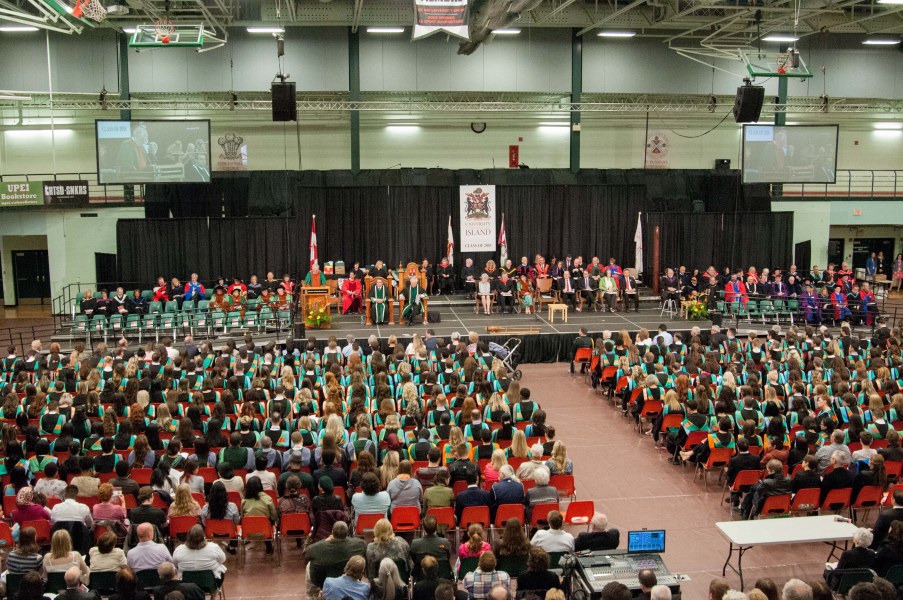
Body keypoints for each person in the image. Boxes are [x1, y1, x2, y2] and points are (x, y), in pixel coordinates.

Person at [304, 522, 367, 599]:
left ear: (332, 532)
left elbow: (306, 554)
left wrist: (325, 540)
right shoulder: (360, 544)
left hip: (321, 581)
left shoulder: (316, 547)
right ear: (347, 533)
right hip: (349, 576)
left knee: (309, 565)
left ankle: (312, 595)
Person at [366, 519, 412, 583]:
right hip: (401, 585)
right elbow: (410, 566)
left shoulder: (371, 548)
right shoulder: (402, 542)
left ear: (375, 531)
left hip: (380, 587)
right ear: (390, 529)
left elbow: (370, 574)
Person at [241, 476, 277, 554]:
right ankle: (268, 545)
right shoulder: (267, 499)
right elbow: (274, 516)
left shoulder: (244, 501)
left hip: (249, 531)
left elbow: (242, 517)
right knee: (269, 521)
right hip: (265, 530)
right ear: (260, 486)